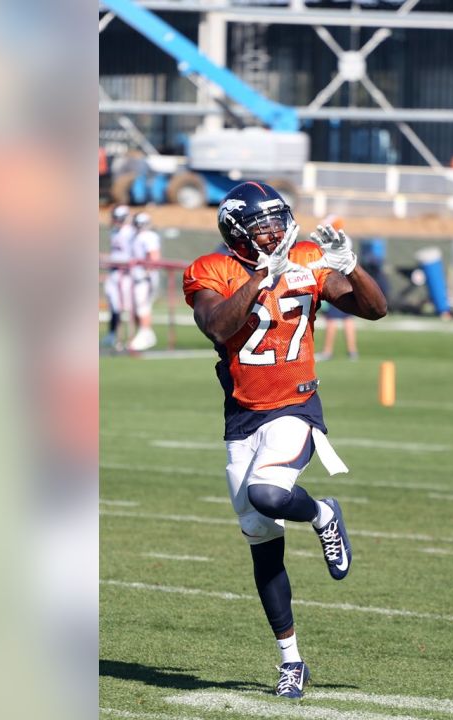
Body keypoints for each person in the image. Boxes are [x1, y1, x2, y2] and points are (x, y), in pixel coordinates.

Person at [182, 181, 387, 699]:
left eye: (278, 220)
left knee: (268, 493)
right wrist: (260, 279)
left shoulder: (308, 258)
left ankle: (323, 514)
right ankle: (291, 660)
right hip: (243, 419)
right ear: (236, 233)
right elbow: (216, 326)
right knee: (261, 539)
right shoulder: (211, 270)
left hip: (295, 404)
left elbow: (374, 309)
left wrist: (351, 266)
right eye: (262, 225)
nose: (274, 231)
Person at [313, 216, 359, 361]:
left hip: (337, 281)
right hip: (347, 280)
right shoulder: (346, 239)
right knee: (347, 318)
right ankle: (352, 351)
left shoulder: (337, 240)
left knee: (331, 319)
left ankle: (328, 351)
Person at [127, 212, 161, 352]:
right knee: (136, 307)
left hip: (145, 276)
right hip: (139, 275)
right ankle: (143, 333)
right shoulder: (138, 236)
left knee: (143, 305)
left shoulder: (148, 236)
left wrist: (146, 273)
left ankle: (146, 333)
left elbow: (153, 257)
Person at [103, 205, 135, 349]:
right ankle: (113, 335)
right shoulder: (115, 232)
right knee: (114, 305)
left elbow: (131, 255)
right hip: (114, 272)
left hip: (125, 273)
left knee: (126, 306)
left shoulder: (130, 232)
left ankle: (129, 338)